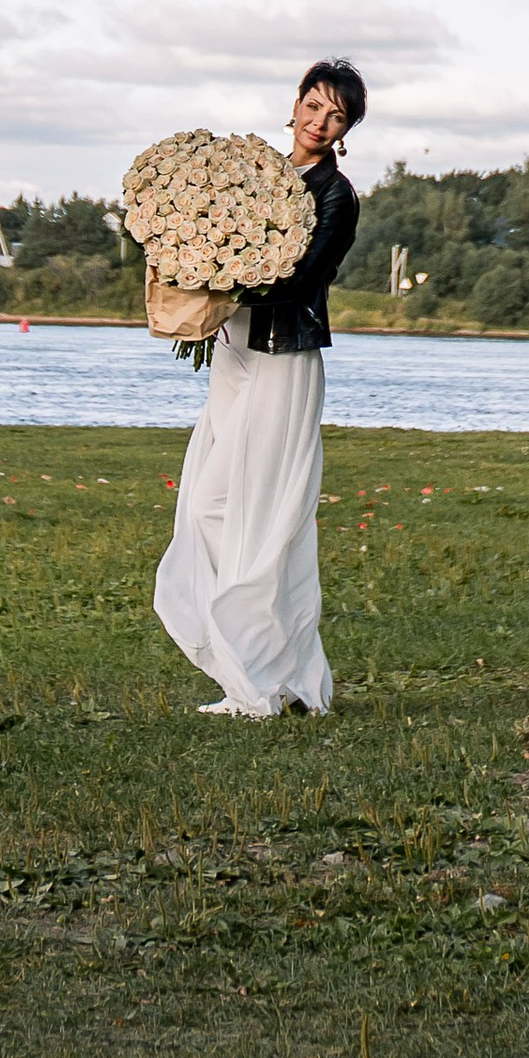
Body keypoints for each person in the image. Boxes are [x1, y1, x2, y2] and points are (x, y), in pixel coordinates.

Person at [152, 58, 365, 718]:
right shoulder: (252, 176)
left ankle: (272, 681)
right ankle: (263, 672)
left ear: (346, 128)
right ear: (295, 103)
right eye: (313, 105)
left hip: (286, 355)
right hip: (235, 349)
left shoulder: (337, 194)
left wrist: (230, 271)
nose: (319, 122)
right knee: (211, 505)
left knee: (266, 516)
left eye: (336, 116)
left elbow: (305, 279)